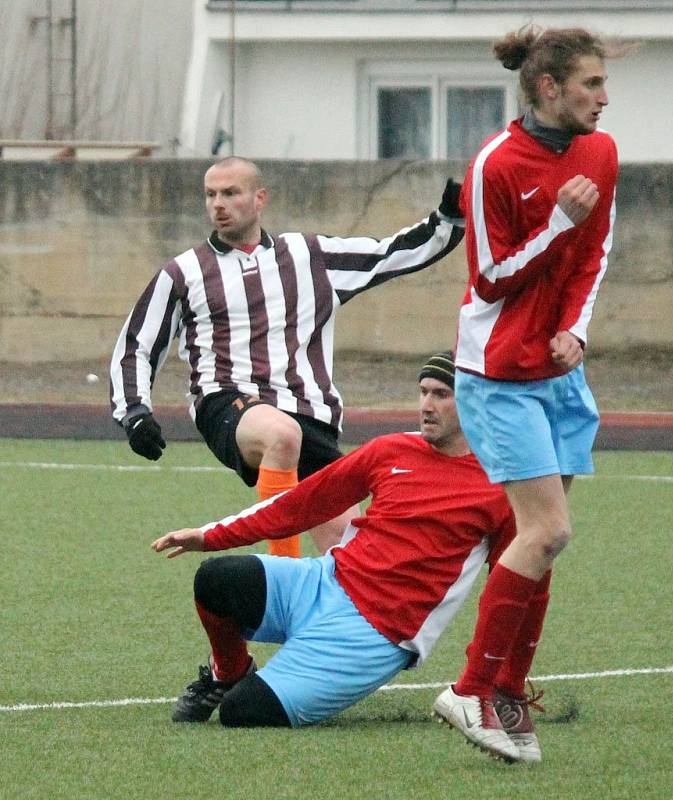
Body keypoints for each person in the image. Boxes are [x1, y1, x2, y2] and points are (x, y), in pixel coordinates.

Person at [151, 351, 539, 763]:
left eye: (442, 394)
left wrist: (504, 683)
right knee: (216, 579)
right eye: (423, 392)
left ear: (475, 401)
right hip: (326, 581)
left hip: (374, 635)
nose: (426, 405)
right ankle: (229, 673)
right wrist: (209, 536)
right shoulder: (390, 450)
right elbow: (301, 503)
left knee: (242, 714)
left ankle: (252, 687)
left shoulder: (504, 487)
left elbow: (517, 591)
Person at [111, 157, 463, 556]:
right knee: (280, 435)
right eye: (211, 195)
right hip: (228, 403)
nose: (218, 204)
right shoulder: (183, 272)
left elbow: (388, 255)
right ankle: (283, 572)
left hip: (311, 418)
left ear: (260, 199)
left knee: (354, 558)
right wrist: (135, 413)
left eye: (230, 193)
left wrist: (447, 220)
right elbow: (135, 346)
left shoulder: (309, 255)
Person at [433, 26, 622, 759]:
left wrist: (578, 327)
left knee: (530, 541)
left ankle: (508, 687)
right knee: (549, 532)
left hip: (560, 371)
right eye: (591, 86)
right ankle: (472, 689)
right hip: (499, 375)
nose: (603, 100)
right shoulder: (494, 165)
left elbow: (596, 248)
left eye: (605, 85)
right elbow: (490, 278)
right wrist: (556, 223)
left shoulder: (600, 152)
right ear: (550, 88)